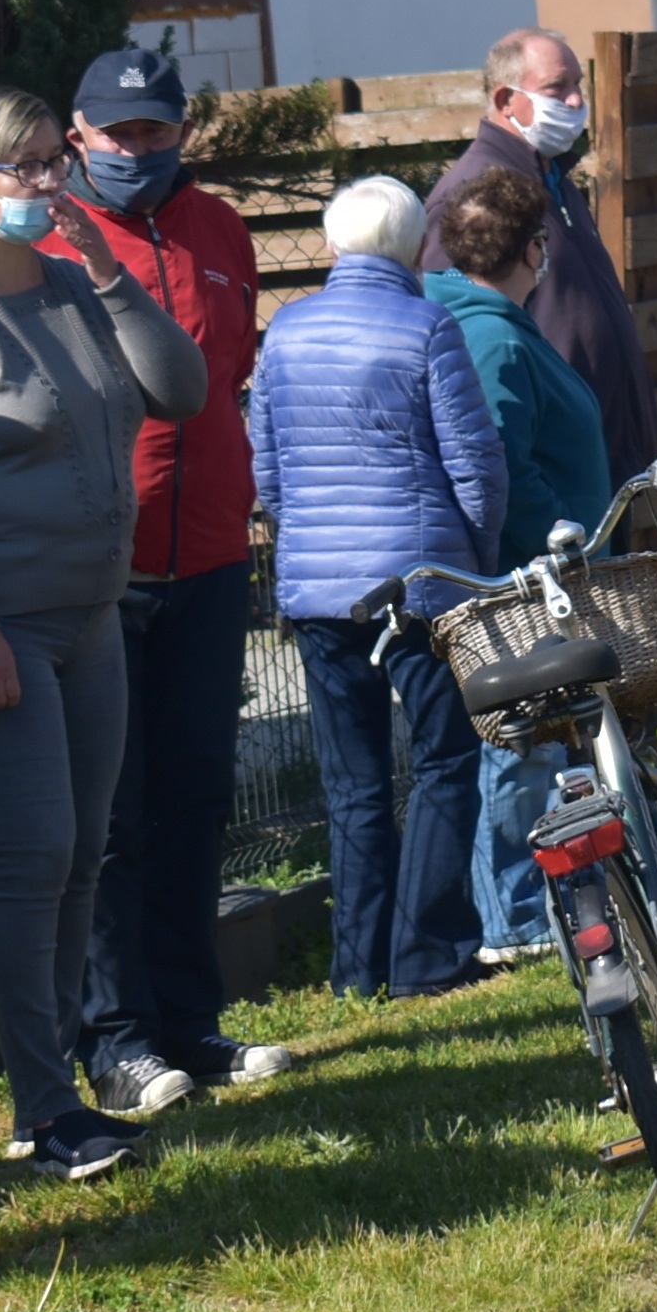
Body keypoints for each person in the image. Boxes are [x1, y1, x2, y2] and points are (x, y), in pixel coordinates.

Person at [0, 89, 211, 1181]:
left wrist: (107, 275)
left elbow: (180, 390)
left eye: (51, 161)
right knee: (32, 854)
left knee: (80, 855)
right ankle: (46, 1106)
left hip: (86, 614)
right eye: (23, 171)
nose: (50, 184)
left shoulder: (68, 280)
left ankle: (56, 1088)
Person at [40, 47, 292, 1122]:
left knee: (193, 799)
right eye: (119, 133)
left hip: (210, 557)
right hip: (105, 564)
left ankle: (190, 1019)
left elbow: (228, 375)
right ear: (76, 135)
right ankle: (113, 1036)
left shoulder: (220, 230)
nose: (140, 151)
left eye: (157, 131)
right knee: (112, 812)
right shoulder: (46, 241)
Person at [250, 175, 503, 994]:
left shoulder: (284, 332)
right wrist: (476, 553)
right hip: (418, 582)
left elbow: (270, 469)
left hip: (319, 590)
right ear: (416, 247)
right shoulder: (427, 325)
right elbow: (474, 463)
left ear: (331, 246)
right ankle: (428, 954)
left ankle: (357, 967)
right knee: (444, 759)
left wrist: (304, 542)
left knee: (352, 782)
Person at [423, 165, 619, 963]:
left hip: (529, 565)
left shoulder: (481, 316)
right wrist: (554, 537)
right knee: (521, 745)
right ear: (533, 248)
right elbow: (502, 454)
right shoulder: (493, 333)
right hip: (524, 574)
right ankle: (514, 919)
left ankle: (527, 905)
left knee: (530, 743)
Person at [421, 25, 657, 486]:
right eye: (556, 87)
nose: (574, 101)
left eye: (578, 85)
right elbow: (460, 341)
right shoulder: (473, 197)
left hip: (606, 459)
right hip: (549, 472)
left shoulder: (556, 181)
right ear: (504, 100)